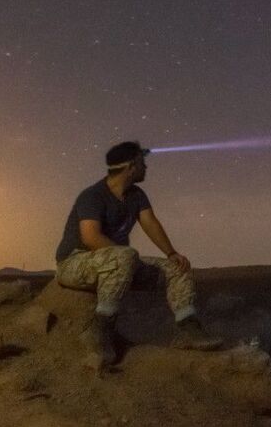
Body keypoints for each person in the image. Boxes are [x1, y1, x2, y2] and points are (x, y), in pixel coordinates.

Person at [55, 140, 221, 367]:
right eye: (143, 162)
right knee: (126, 256)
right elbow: (90, 237)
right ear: (131, 166)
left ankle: (188, 330)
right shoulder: (92, 195)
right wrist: (125, 259)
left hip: (118, 261)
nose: (146, 167)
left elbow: (150, 222)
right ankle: (100, 332)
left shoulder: (136, 195)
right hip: (75, 262)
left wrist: (172, 253)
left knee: (176, 267)